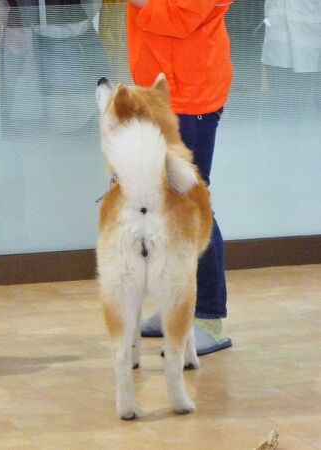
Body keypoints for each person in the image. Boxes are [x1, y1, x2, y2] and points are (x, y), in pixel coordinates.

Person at [126, 0, 233, 355]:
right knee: (163, 205)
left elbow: (182, 15)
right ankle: (176, 305)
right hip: (155, 89)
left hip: (192, 95)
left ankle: (208, 317)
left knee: (191, 206)